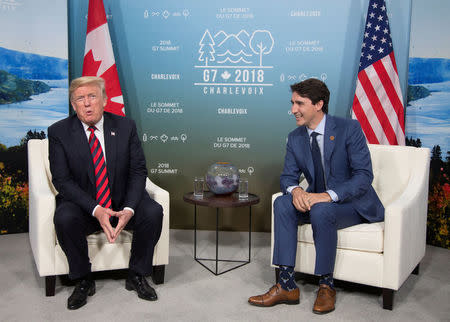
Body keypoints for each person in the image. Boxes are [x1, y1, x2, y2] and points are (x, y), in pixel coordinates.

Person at [248, 79, 384, 314]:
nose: (293, 110)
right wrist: (297, 190)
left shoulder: (348, 129)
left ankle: (326, 285)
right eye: (292, 103)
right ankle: (287, 284)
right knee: (282, 202)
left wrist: (328, 196)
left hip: (353, 204)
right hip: (317, 201)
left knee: (322, 208)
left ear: (319, 104)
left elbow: (363, 176)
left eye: (299, 103)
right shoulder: (295, 138)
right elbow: (287, 178)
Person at [48, 76, 163, 310]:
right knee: (64, 217)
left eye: (92, 96)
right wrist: (96, 209)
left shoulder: (125, 126)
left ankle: (137, 275)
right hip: (85, 204)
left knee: (152, 212)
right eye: (80, 99)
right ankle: (83, 279)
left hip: (121, 198)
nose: (87, 103)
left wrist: (130, 208)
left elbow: (138, 170)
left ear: (104, 100)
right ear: (73, 105)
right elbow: (62, 180)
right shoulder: (58, 132)